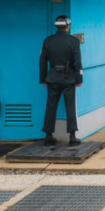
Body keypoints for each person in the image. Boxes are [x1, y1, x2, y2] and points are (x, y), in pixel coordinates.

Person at [39, 15, 83, 146]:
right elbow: (78, 62)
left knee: (50, 107)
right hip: (68, 78)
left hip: (52, 77)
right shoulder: (74, 41)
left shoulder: (47, 41)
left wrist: (43, 79)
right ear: (68, 25)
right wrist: (79, 79)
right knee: (70, 107)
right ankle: (72, 137)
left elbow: (42, 62)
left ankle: (48, 136)